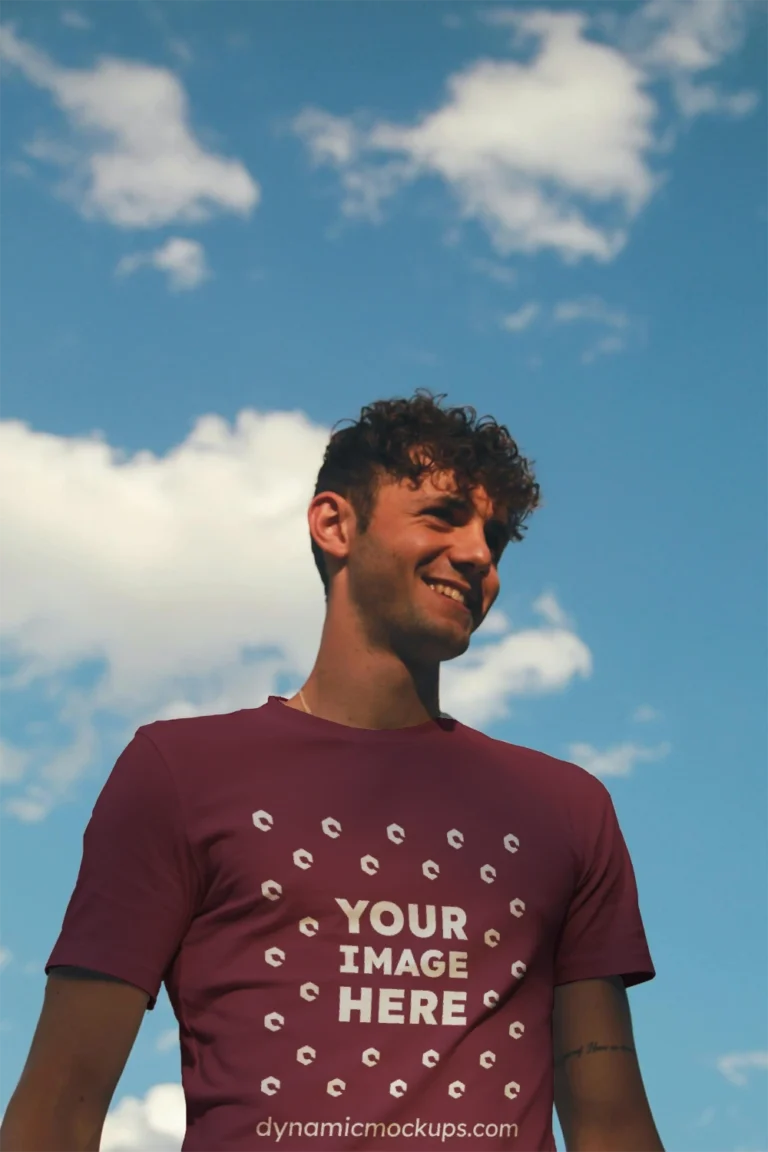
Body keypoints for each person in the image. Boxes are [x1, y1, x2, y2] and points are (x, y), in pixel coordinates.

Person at [0, 390, 665, 1151]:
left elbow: (611, 1126)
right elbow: (57, 1109)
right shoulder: (178, 773)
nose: (481, 554)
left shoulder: (567, 810)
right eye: (444, 515)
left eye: (497, 536)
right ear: (334, 524)